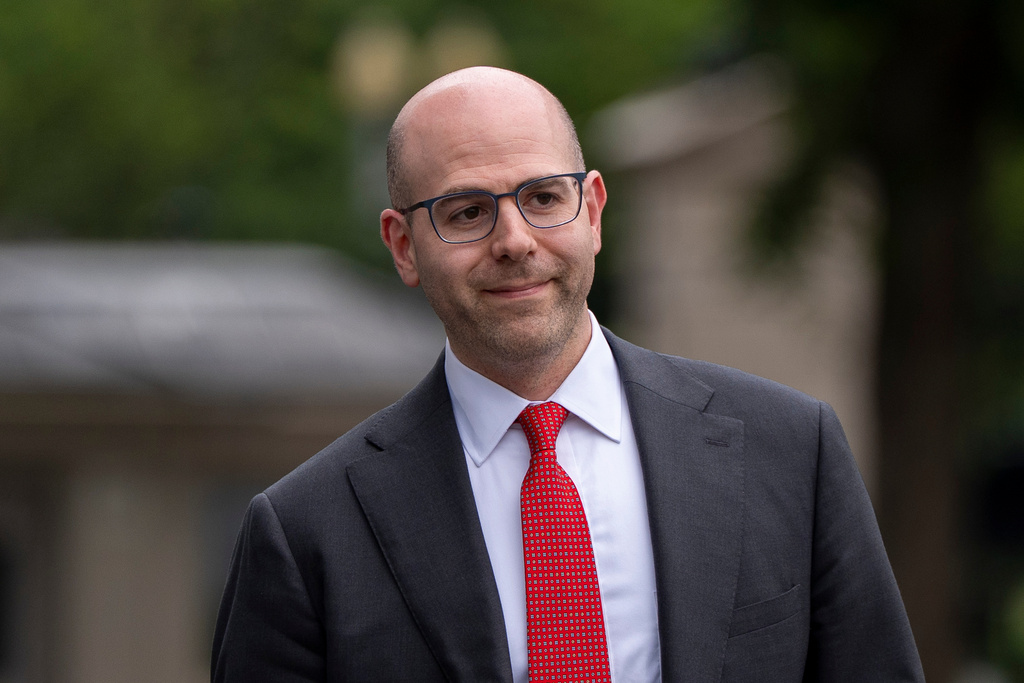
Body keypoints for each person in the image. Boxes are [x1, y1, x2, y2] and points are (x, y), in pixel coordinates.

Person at [212, 66, 924, 682]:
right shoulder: (305, 533)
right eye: (467, 212)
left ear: (593, 210)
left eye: (544, 198)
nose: (515, 241)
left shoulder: (793, 453)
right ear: (403, 245)